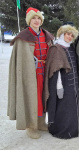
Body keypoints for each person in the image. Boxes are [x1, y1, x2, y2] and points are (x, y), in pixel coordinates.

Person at [8, 7, 54, 139]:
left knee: (43, 97)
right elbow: (20, 60)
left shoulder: (46, 35)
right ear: (29, 20)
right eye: (33, 18)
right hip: (30, 74)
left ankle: (40, 122)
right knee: (31, 98)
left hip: (44, 71)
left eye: (39, 18)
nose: (36, 20)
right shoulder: (23, 37)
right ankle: (30, 126)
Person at [43, 24, 79, 139]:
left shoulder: (70, 48)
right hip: (63, 85)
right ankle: (63, 129)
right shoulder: (56, 48)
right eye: (68, 34)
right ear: (62, 34)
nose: (70, 37)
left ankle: (76, 127)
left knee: (73, 107)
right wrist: (59, 87)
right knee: (64, 108)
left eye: (72, 35)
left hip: (73, 84)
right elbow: (55, 70)